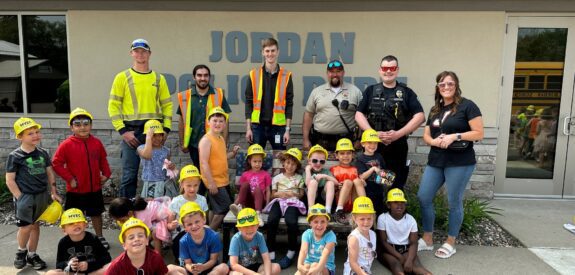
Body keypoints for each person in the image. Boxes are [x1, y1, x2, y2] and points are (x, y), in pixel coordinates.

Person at [417, 71, 484, 259]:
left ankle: (450, 242)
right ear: (437, 87)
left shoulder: (467, 106)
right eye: (442, 84)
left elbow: (479, 133)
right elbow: (426, 135)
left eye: (450, 84)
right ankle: (428, 239)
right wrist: (433, 142)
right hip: (436, 160)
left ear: (456, 85)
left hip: (460, 162)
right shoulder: (435, 109)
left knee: (453, 201)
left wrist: (455, 136)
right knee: (423, 197)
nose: (446, 87)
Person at [108, 38, 173, 199]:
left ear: (149, 54)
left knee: (158, 174)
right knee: (129, 175)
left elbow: (167, 106)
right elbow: (113, 106)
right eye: (136, 51)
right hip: (131, 133)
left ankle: (153, 212)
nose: (140, 54)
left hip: (154, 133)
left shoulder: (159, 79)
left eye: (144, 51)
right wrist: (123, 131)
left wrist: (165, 130)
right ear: (131, 53)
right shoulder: (122, 77)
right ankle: (126, 215)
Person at [355, 55, 425, 190]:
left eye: (392, 68)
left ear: (397, 70)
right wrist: (373, 134)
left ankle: (392, 210)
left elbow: (420, 116)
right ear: (380, 70)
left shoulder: (406, 92)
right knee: (372, 183)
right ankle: (376, 208)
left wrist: (398, 134)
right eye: (385, 68)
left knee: (395, 184)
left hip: (397, 147)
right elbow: (359, 114)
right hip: (374, 147)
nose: (388, 71)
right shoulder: (371, 90)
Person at [6, 117, 63, 270]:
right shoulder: (15, 156)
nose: (35, 135)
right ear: (20, 137)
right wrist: (20, 197)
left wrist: (53, 191)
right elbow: (9, 180)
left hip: (41, 195)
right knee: (25, 227)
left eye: (37, 132)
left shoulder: (42, 153)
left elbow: (50, 172)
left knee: (35, 226)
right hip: (25, 196)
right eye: (30, 133)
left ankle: (32, 254)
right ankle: (21, 251)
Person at [52, 108, 112, 249]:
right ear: (72, 127)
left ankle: (99, 237)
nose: (82, 127)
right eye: (78, 124)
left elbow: (103, 159)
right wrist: (70, 179)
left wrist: (106, 174)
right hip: (75, 191)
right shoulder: (66, 144)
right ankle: (72, 240)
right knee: (73, 217)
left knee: (96, 214)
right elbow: (56, 163)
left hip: (94, 188)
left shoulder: (96, 143)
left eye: (86, 123)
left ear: (91, 125)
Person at [177, 64, 232, 196]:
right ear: (194, 77)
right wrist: (182, 142)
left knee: (213, 174)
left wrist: (224, 141)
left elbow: (226, 120)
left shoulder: (218, 94)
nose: (203, 78)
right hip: (195, 143)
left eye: (205, 75)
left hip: (214, 144)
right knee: (199, 175)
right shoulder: (185, 96)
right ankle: (201, 203)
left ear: (209, 77)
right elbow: (181, 120)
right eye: (199, 75)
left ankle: (212, 203)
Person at [303, 60, 363, 151]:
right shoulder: (317, 92)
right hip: (320, 141)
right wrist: (305, 139)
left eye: (338, 71)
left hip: (346, 142)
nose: (335, 74)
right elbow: (308, 115)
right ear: (327, 73)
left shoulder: (355, 91)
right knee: (319, 165)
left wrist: (359, 139)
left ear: (343, 73)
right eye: (331, 72)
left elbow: (362, 116)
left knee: (345, 165)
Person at [245, 37, 294, 150]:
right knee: (254, 159)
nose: (270, 54)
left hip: (278, 127)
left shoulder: (286, 75)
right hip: (257, 126)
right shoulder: (253, 74)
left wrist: (287, 130)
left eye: (273, 50)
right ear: (263, 53)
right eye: (267, 51)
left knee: (280, 160)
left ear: (278, 52)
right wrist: (248, 128)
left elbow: (289, 104)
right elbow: (248, 102)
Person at [262, 148, 306, 269]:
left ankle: (291, 251)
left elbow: (301, 194)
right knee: (272, 220)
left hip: (292, 202)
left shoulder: (299, 178)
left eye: (293, 164)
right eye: (287, 163)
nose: (290, 166)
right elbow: (272, 194)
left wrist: (293, 194)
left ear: (297, 165)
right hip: (279, 200)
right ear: (283, 163)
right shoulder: (277, 178)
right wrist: (279, 194)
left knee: (291, 221)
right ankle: (270, 250)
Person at [199, 107, 240, 230]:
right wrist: (211, 183)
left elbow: (221, 157)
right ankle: (208, 236)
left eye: (221, 121)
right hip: (215, 182)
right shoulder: (206, 140)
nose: (218, 124)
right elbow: (204, 163)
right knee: (224, 209)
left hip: (223, 181)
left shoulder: (220, 138)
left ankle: (210, 233)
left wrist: (232, 153)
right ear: (208, 122)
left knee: (214, 208)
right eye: (215, 120)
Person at [105, 217, 185, 275]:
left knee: (176, 271)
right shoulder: (117, 266)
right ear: (124, 245)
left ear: (147, 241)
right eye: (131, 237)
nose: (136, 239)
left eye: (140, 235)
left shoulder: (155, 257)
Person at [378, 189, 431, 275]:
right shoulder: (383, 218)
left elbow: (414, 243)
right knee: (396, 266)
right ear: (388, 205)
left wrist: (409, 260)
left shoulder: (410, 219)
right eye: (395, 202)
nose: (399, 205)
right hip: (389, 250)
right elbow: (383, 242)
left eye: (402, 202)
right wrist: (400, 257)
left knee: (417, 267)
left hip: (406, 250)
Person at [46, 208, 111, 275]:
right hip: (72, 273)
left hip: (91, 273)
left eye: (79, 221)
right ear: (64, 230)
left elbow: (106, 258)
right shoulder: (63, 242)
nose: (76, 224)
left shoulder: (93, 238)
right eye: (71, 223)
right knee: (50, 273)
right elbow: (59, 264)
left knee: (110, 266)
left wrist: (89, 265)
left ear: (85, 224)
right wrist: (69, 265)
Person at [169, 164, 209, 262]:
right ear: (182, 184)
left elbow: (205, 221)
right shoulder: (176, 201)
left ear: (199, 184)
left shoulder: (202, 200)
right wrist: (172, 225)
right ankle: (182, 261)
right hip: (181, 233)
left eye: (195, 185)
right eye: (189, 185)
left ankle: (205, 261)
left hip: (198, 230)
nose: (192, 189)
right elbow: (169, 225)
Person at [108, 196, 175, 254]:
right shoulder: (131, 207)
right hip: (154, 218)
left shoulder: (141, 217)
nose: (121, 222)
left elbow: (147, 232)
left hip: (167, 216)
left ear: (129, 213)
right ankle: (149, 251)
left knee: (155, 233)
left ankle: (158, 256)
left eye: (122, 220)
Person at [178, 201, 229, 275]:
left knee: (224, 267)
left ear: (204, 220)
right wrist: (192, 269)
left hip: (210, 270)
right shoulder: (183, 241)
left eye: (197, 222)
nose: (194, 226)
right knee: (170, 268)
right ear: (184, 227)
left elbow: (213, 260)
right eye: (189, 224)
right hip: (193, 271)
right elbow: (187, 263)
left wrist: (203, 267)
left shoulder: (213, 236)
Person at [228, 208, 281, 275]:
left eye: (252, 225)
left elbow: (266, 259)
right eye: (245, 226)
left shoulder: (259, 236)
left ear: (257, 226)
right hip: (240, 269)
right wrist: (254, 274)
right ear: (239, 228)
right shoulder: (236, 239)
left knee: (276, 267)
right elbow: (234, 265)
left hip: (254, 266)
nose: (249, 229)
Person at [229, 144, 272, 226]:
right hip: (247, 202)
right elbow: (242, 191)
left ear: (262, 162)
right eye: (255, 161)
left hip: (260, 202)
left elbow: (268, 191)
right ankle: (239, 207)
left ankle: (258, 215)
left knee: (258, 189)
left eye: (260, 161)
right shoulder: (245, 174)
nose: (257, 164)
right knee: (245, 185)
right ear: (249, 161)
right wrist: (235, 203)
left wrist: (267, 206)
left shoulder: (266, 175)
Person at [356, 129, 394, 216]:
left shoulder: (379, 156)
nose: (372, 145)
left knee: (379, 214)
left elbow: (386, 175)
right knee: (369, 214)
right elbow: (361, 177)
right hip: (367, 191)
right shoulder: (360, 158)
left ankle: (378, 229)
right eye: (369, 142)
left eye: (375, 143)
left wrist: (382, 174)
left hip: (379, 190)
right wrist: (372, 169)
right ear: (363, 144)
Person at [331, 138, 366, 224]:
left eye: (348, 153)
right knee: (348, 182)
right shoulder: (333, 169)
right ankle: (339, 210)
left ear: (353, 155)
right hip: (341, 200)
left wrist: (363, 183)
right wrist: (336, 185)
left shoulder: (355, 169)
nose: (345, 156)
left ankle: (364, 206)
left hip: (354, 201)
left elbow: (359, 184)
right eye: (342, 153)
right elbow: (330, 187)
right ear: (336, 155)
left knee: (357, 181)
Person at [296, 204, 337, 275]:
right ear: (310, 223)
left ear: (327, 223)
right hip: (308, 264)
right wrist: (299, 265)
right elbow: (303, 251)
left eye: (323, 221)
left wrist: (317, 269)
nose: (319, 225)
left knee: (314, 265)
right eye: (315, 222)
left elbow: (325, 254)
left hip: (326, 267)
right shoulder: (307, 234)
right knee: (304, 268)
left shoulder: (331, 235)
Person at [137, 119, 174, 198]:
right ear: (147, 135)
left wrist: (171, 168)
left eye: (160, 135)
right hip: (150, 182)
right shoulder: (141, 148)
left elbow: (168, 168)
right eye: (154, 135)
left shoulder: (166, 150)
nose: (158, 138)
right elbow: (147, 155)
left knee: (164, 206)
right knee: (151, 205)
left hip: (164, 182)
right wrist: (148, 139)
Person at [343, 197, 377, 275]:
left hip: (365, 270)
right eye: (362, 219)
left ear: (373, 217)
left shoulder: (373, 234)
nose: (366, 222)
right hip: (353, 271)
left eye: (369, 218)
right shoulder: (354, 238)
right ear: (354, 218)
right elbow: (353, 263)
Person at [305, 144, 337, 214]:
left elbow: (336, 183)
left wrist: (325, 176)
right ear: (309, 161)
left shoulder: (326, 172)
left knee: (330, 183)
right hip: (312, 199)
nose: (318, 163)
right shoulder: (308, 171)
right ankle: (310, 211)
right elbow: (307, 184)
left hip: (324, 198)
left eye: (322, 161)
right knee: (313, 182)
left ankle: (328, 210)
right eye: (315, 161)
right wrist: (307, 170)